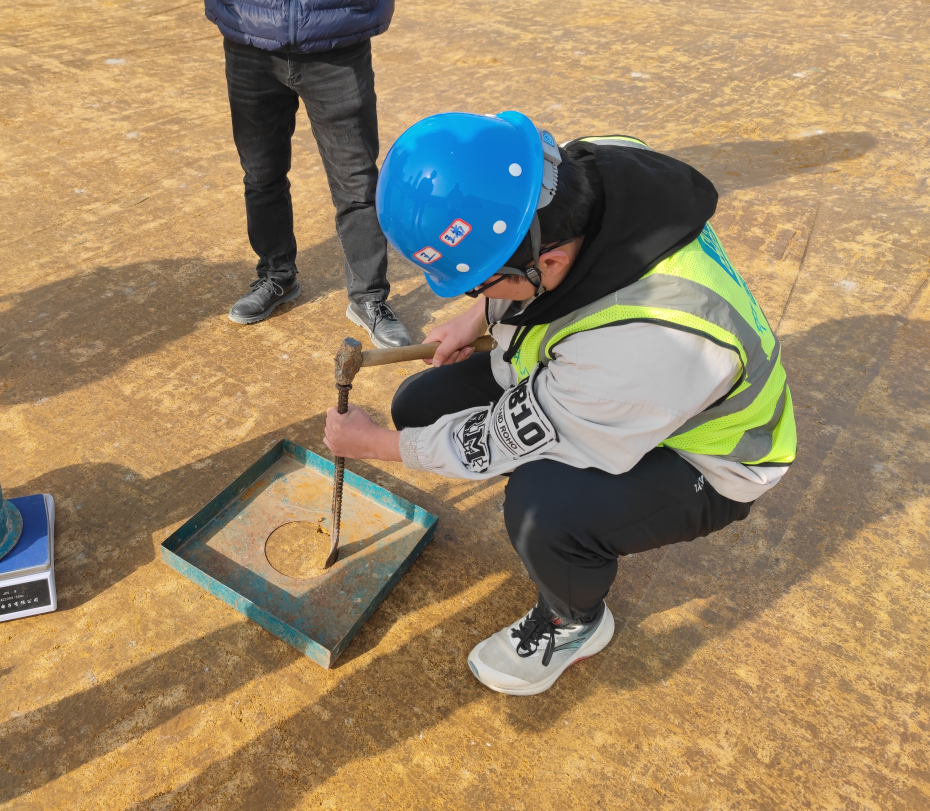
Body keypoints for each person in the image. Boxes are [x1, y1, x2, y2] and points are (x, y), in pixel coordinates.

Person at [323, 111, 796, 695]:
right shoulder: (571, 171)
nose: (477, 294)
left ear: (547, 262)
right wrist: (474, 315)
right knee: (422, 405)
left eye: (480, 283)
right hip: (603, 380)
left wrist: (372, 446)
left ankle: (574, 621)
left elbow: (497, 437)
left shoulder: (645, 342)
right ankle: (567, 473)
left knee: (542, 509)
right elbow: (523, 251)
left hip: (711, 454)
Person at [185, 0, 424, 347]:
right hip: (251, 23)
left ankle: (368, 297)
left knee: (356, 179)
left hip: (337, 30)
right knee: (261, 172)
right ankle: (276, 275)